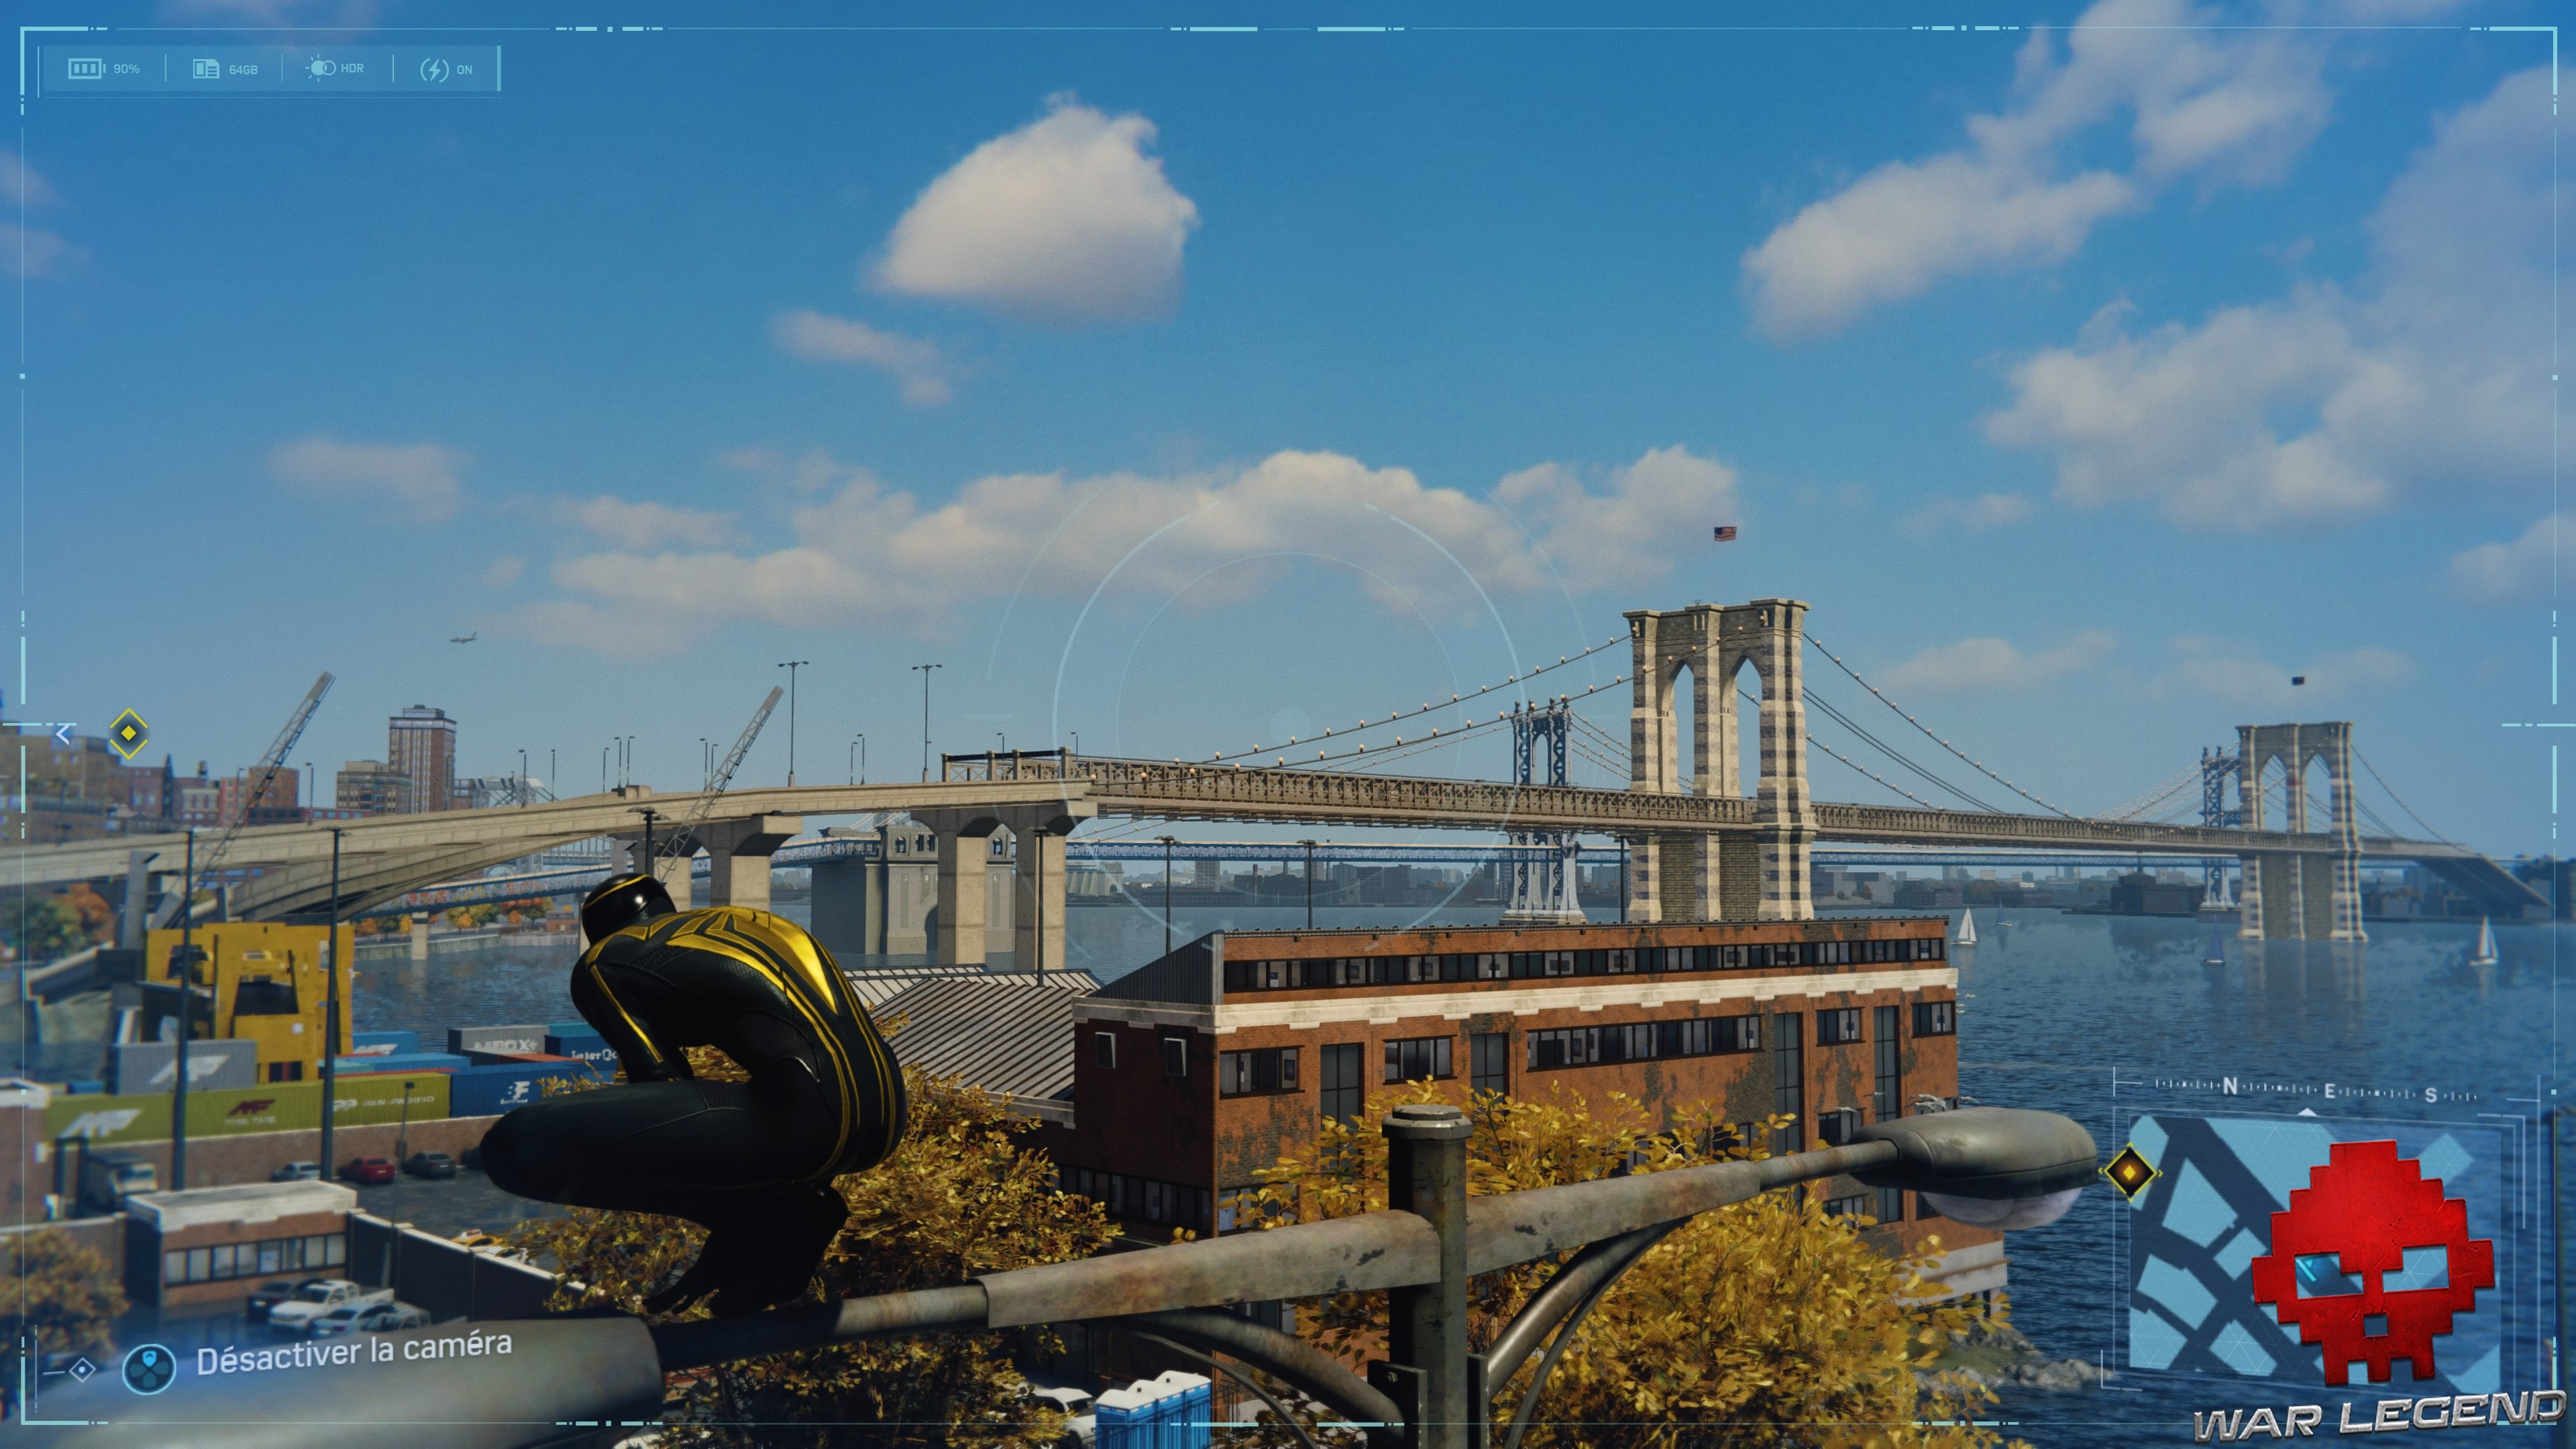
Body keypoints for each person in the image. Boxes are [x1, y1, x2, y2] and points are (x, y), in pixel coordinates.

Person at [482, 871, 907, 1317]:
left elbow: (661, 1086)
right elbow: (827, 1068)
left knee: (513, 1147)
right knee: (787, 1107)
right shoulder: (753, 924)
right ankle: (792, 1211)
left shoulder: (604, 961)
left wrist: (735, 1228)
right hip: (886, 1118)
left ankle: (763, 1221)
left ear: (596, 930)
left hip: (805, 1126)